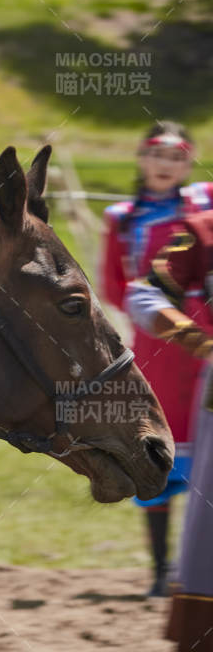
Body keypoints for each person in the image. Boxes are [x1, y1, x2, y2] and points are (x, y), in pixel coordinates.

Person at [100, 120, 213, 595]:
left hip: (206, 341)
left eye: (177, 158)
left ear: (188, 165)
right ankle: (160, 572)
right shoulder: (122, 218)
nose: (166, 166)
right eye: (157, 156)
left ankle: (198, 572)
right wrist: (163, 312)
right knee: (158, 454)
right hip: (156, 347)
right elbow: (114, 286)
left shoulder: (206, 206)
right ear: (141, 160)